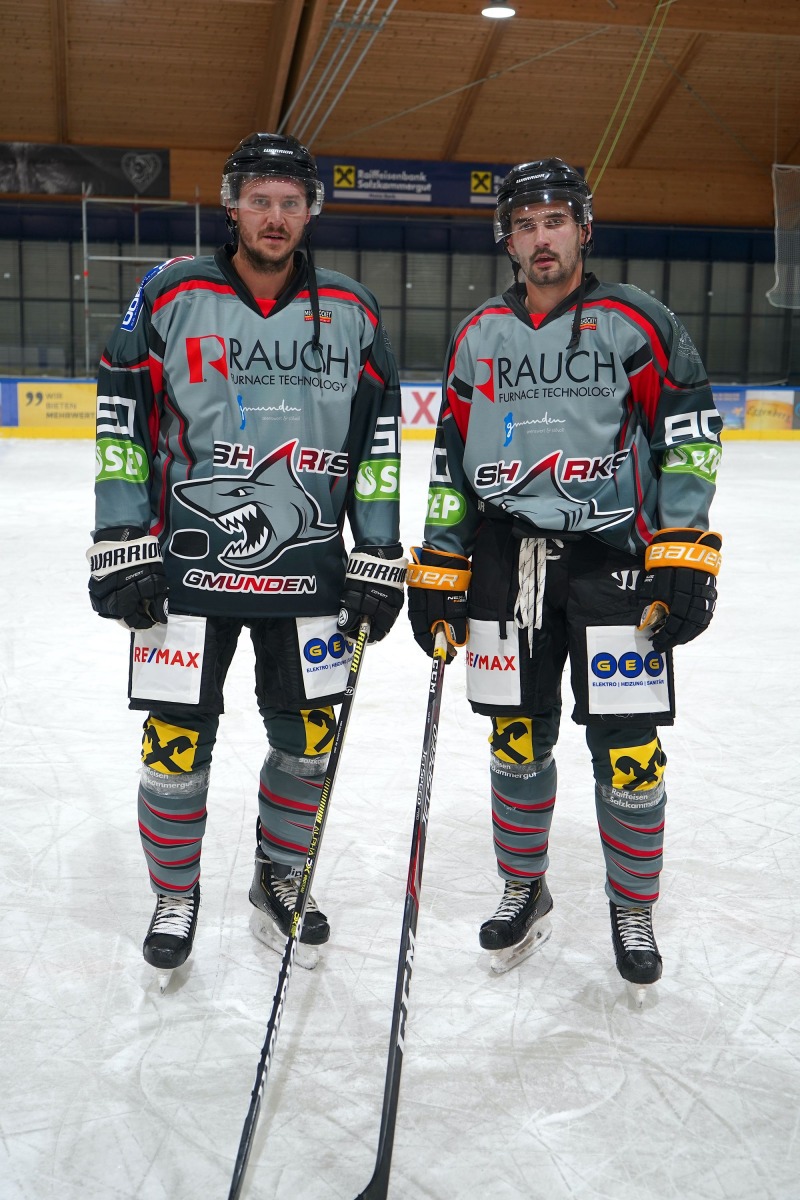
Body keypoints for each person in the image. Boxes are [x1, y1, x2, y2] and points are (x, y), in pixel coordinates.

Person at [87, 133, 406, 977]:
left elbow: (376, 442)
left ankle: (280, 878)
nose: (274, 216)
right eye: (259, 200)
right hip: (183, 573)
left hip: (310, 575)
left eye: (291, 202)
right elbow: (122, 416)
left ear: (310, 213)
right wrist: (120, 538)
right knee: (173, 743)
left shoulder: (355, 310)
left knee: (308, 739)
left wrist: (378, 550)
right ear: (231, 206)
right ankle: (175, 894)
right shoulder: (171, 292)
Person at [407, 158, 722, 994]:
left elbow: (690, 435)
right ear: (507, 240)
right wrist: (441, 558)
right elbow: (449, 458)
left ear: (584, 228)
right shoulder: (479, 335)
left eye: (555, 221)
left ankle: (633, 907)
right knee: (515, 735)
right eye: (525, 224)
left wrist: (683, 548)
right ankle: (524, 886)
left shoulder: (637, 320)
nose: (541, 238)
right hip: (504, 562)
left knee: (629, 747)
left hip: (614, 565)